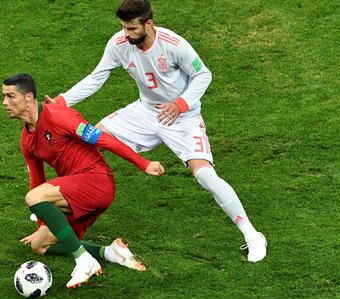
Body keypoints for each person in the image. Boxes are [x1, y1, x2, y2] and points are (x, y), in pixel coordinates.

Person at [46, 0, 267, 262]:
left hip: (182, 117)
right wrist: (62, 102)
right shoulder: (119, 44)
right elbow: (96, 77)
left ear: (148, 25)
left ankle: (252, 235)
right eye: (123, 28)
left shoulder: (173, 45)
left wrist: (180, 104)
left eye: (130, 29)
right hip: (145, 112)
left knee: (206, 175)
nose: (124, 34)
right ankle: (60, 208)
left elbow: (203, 75)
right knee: (86, 141)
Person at [2, 73, 165, 288]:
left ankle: (84, 260)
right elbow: (37, 180)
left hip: (96, 181)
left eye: (11, 96)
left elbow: (103, 139)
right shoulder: (27, 140)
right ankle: (109, 252)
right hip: (78, 191)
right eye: (4, 97)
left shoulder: (59, 116)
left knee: (33, 197)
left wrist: (143, 163)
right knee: (39, 245)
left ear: (29, 98)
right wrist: (43, 224)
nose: (5, 103)